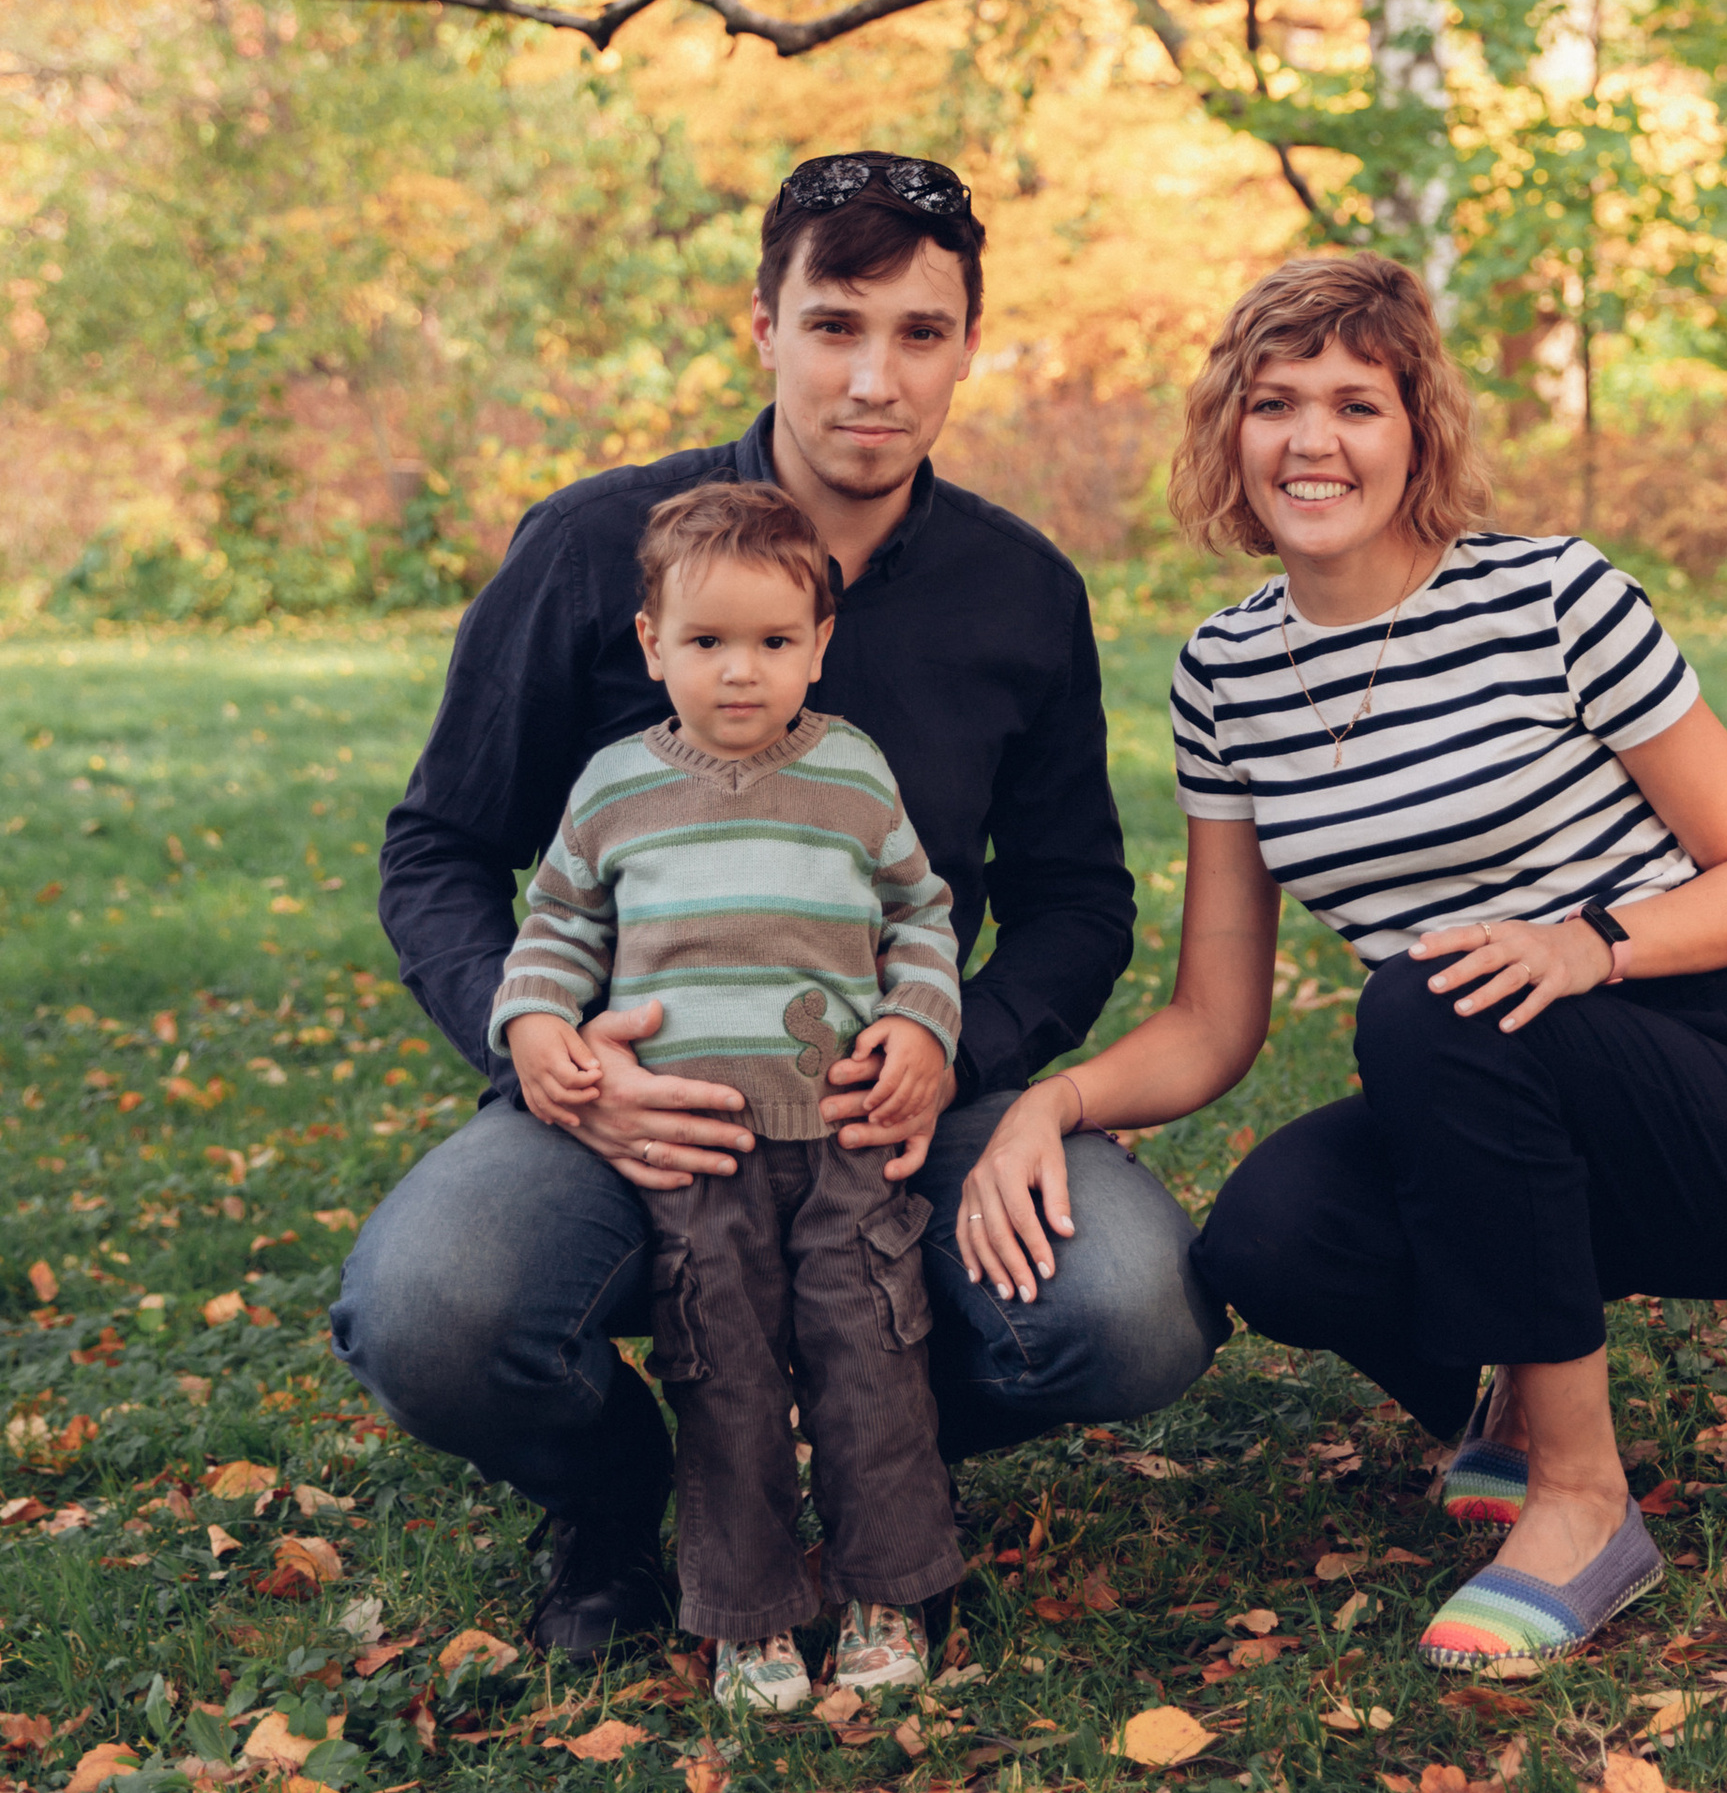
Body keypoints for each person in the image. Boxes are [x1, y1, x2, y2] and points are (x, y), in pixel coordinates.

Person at [332, 154, 1222, 1659]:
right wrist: (546, 1052)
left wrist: (966, 1047)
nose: (875, 378)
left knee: (1131, 1307)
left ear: (965, 348)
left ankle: (887, 1485)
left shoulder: (1020, 594)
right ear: (764, 327)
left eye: (920, 333)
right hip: (638, 1097)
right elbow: (438, 851)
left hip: (894, 1099)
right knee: (435, 1302)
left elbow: (1077, 896)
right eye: (834, 324)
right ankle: (632, 1494)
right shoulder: (597, 547)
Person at [951, 251, 1727, 1676]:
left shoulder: (1555, 597)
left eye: (1358, 404)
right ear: (1227, 437)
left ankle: (1584, 1503)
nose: (1313, 441)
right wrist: (1047, 1106)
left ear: (1420, 430)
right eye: (1274, 403)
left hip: (1717, 1089)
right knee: (1269, 1237)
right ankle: (1507, 1402)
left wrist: (1586, 944)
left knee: (1433, 998)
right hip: (1480, 1082)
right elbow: (1214, 1014)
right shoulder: (1223, 674)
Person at [493, 480, 964, 1712]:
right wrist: (537, 1022)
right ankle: (750, 1612)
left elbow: (920, 913)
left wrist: (920, 1024)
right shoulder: (615, 788)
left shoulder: (854, 777)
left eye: (772, 642)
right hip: (695, 1155)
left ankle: (886, 1588)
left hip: (847, 1142)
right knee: (727, 1371)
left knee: (869, 1355)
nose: (740, 674)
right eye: (705, 643)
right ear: (652, 645)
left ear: (820, 641)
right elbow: (554, 923)